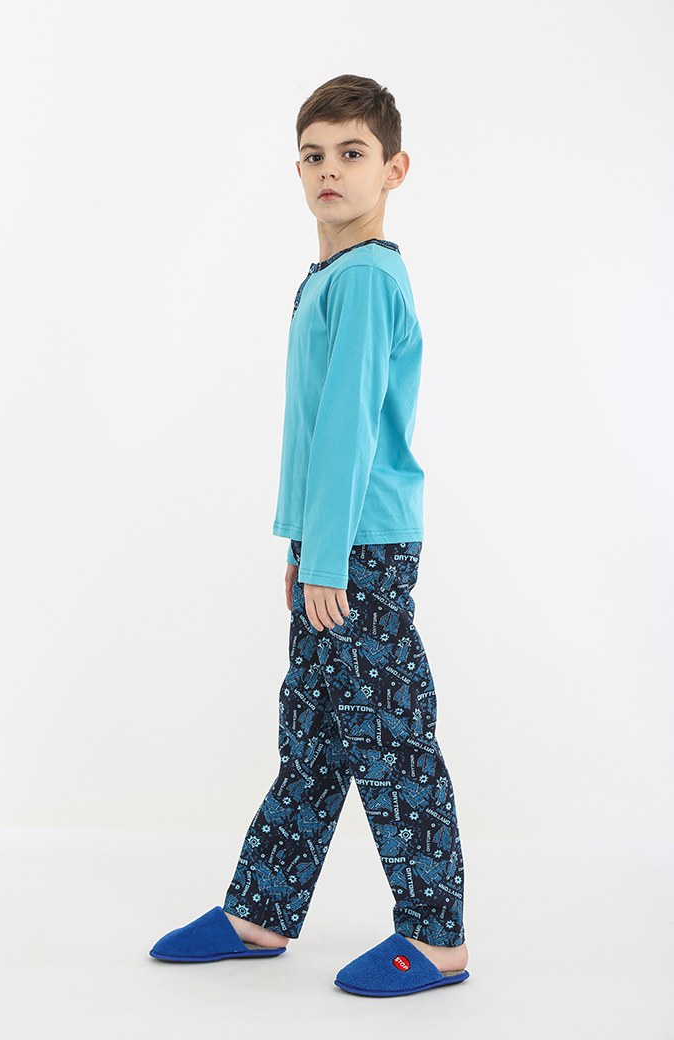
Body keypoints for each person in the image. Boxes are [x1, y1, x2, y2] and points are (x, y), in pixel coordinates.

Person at [150, 74, 470, 998]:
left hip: (359, 548)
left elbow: (347, 432)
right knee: (317, 736)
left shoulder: (364, 278)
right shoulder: (331, 276)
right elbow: (315, 430)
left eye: (352, 153)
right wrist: (299, 546)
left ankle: (437, 937)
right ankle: (261, 910)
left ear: (394, 169)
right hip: (329, 548)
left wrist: (325, 554)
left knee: (391, 739)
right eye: (313, 155)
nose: (329, 170)